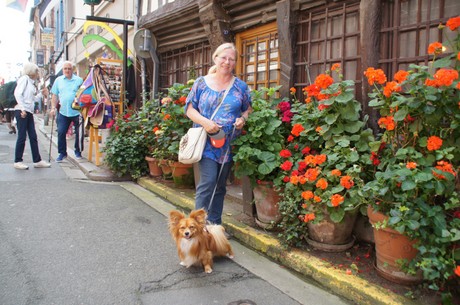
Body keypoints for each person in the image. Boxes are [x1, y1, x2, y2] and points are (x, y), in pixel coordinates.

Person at [184, 42, 252, 225]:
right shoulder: (201, 83)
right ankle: (196, 226)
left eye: (231, 59)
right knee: (208, 183)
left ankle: (214, 225)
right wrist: (205, 123)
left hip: (227, 144)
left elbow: (247, 109)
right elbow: (190, 110)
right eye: (224, 57)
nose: (227, 62)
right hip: (206, 141)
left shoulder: (240, 87)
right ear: (215, 58)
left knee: (220, 186)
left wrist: (242, 120)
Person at [13, 63, 51, 170]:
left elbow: (32, 99)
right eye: (36, 71)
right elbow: (17, 94)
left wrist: (41, 94)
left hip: (28, 111)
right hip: (22, 111)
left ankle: (37, 160)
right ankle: (17, 160)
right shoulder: (24, 79)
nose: (37, 73)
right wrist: (22, 108)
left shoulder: (31, 82)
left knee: (33, 136)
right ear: (31, 71)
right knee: (22, 136)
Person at [49, 61, 83, 162]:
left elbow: (84, 94)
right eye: (65, 69)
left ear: (73, 70)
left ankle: (78, 151)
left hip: (77, 111)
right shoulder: (58, 80)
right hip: (63, 111)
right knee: (61, 132)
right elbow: (54, 95)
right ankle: (62, 153)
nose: (67, 70)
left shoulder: (79, 80)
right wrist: (53, 108)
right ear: (63, 70)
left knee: (79, 133)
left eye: (69, 69)